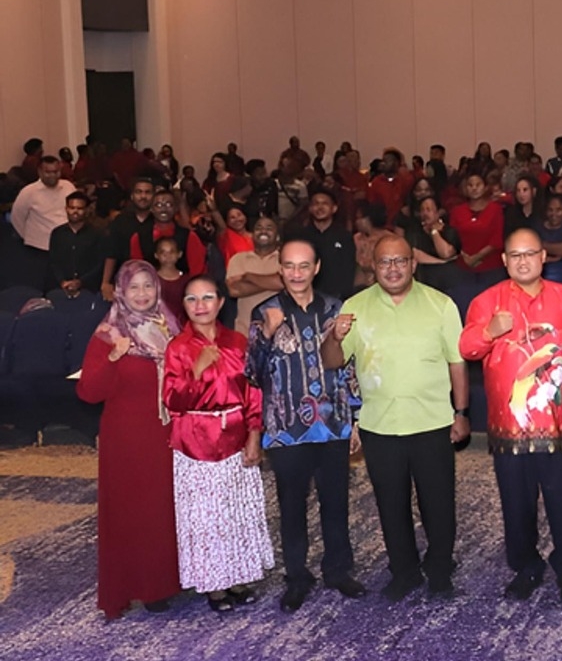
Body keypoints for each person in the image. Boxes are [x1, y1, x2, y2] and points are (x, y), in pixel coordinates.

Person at [460, 228, 562, 602]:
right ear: (505, 260)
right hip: (510, 427)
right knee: (516, 504)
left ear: (543, 257)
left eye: (530, 254)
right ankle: (525, 567)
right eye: (516, 255)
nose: (523, 261)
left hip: (558, 423)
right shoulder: (487, 301)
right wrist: (489, 331)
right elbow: (467, 348)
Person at [332, 234, 469, 601]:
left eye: (400, 261)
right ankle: (404, 571)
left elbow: (457, 363)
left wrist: (461, 412)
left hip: (433, 422)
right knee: (391, 505)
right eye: (384, 262)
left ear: (413, 263)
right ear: (372, 266)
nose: (392, 269)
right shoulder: (355, 307)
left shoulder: (441, 305)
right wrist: (334, 337)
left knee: (438, 503)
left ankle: (439, 569)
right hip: (380, 425)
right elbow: (333, 361)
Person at [245, 238, 366, 613]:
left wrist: (355, 419)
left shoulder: (335, 308)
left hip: (332, 423)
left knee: (336, 503)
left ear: (316, 268)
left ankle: (338, 570)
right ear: (280, 269)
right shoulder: (264, 311)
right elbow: (251, 373)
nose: (296, 273)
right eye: (289, 266)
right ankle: (297, 577)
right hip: (286, 428)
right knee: (292, 507)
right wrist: (266, 335)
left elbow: (348, 368)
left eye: (304, 265)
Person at [162, 274, 274, 613]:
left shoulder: (238, 342)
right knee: (206, 518)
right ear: (183, 306)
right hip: (196, 442)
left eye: (207, 297)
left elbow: (254, 392)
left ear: (221, 302)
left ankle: (238, 576)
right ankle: (214, 585)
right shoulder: (178, 347)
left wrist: (254, 435)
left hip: (237, 438)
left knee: (235, 512)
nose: (200, 306)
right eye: (192, 299)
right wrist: (195, 372)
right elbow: (172, 400)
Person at [77, 261, 182, 618]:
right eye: (134, 287)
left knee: (163, 510)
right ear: (121, 290)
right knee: (132, 512)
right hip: (126, 439)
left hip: (166, 433)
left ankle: (164, 582)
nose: (142, 294)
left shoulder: (169, 328)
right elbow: (88, 392)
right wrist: (112, 357)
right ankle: (135, 587)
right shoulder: (108, 333)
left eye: (148, 286)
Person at [10, 154, 75, 288]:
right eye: (48, 172)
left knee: (66, 282)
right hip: (39, 248)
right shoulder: (28, 192)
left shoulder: (68, 187)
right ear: (40, 172)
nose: (52, 175)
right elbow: (17, 217)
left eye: (56, 172)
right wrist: (28, 236)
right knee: (41, 284)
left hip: (66, 245)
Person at [295, 188, 357, 300]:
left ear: (334, 208)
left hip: (337, 298)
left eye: (325, 203)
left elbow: (349, 270)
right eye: (316, 203)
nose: (320, 207)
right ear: (310, 208)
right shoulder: (300, 237)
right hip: (306, 297)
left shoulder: (344, 236)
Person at [100, 176, 155, 300]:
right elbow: (111, 253)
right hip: (123, 280)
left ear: (153, 196)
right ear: (132, 196)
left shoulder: (158, 222)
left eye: (147, 192)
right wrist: (106, 282)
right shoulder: (120, 221)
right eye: (139, 192)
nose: (143, 196)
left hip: (153, 281)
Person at [225, 214, 284, 327]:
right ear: (252, 235)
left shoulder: (285, 258)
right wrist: (275, 281)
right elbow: (234, 290)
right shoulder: (238, 259)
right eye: (258, 228)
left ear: (277, 237)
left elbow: (284, 281)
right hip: (244, 329)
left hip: (280, 330)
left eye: (269, 228)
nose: (263, 231)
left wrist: (248, 277)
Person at [48, 191, 106, 298]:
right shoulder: (57, 233)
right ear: (66, 209)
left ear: (86, 210)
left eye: (80, 208)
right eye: (72, 208)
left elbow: (100, 264)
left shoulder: (97, 234)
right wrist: (62, 281)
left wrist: (80, 282)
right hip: (60, 289)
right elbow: (53, 262)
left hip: (89, 290)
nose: (75, 211)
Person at [402, 195, 461, 291]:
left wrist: (434, 232)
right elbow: (415, 254)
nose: (425, 213)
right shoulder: (414, 231)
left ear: (438, 213)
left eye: (428, 210)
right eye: (422, 210)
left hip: (448, 279)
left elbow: (446, 253)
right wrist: (442, 262)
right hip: (423, 279)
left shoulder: (449, 231)